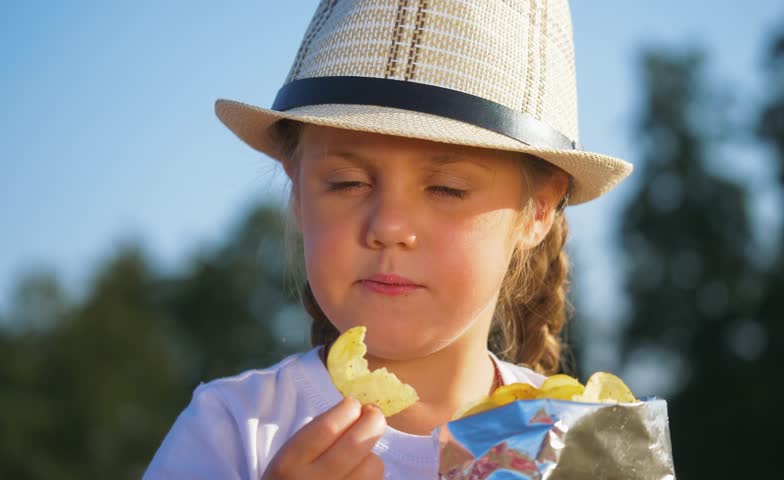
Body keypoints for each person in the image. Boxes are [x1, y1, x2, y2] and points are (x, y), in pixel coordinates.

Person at [143, 0, 632, 478]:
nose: (389, 226)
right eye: (347, 183)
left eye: (447, 189)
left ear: (539, 210)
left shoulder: (591, 451)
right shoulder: (232, 430)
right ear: (297, 188)